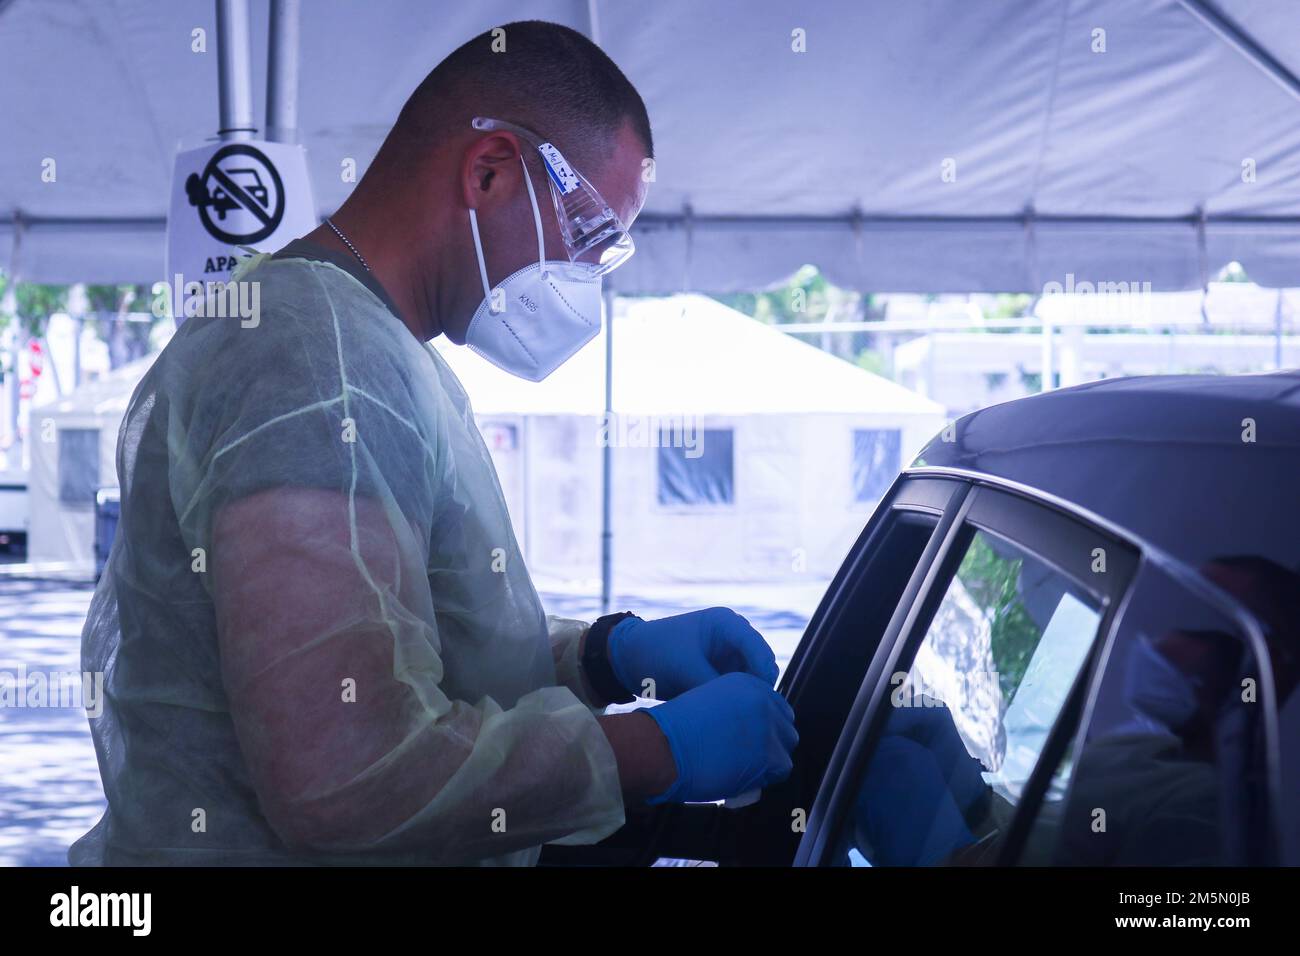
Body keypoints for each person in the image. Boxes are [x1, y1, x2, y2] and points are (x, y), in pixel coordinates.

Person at [71, 20, 796, 866]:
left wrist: (601, 656)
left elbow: (397, 634)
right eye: (590, 237)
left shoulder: (361, 343)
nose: (588, 281)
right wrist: (652, 752)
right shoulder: (314, 360)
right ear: (489, 171)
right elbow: (347, 771)